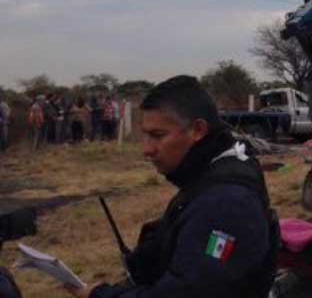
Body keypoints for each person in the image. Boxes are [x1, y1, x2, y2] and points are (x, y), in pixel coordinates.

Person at [66, 75, 278, 298]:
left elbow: (187, 291)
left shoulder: (228, 202)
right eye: (145, 135)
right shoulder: (213, 172)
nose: (146, 150)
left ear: (197, 130)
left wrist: (100, 296)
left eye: (158, 135)